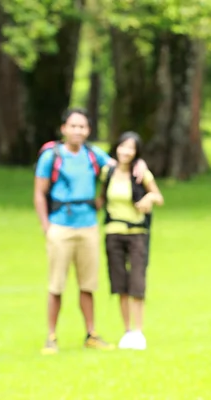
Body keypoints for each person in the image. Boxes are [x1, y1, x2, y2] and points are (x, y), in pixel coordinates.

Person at [34, 108, 116, 354]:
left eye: (82, 127)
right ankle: (51, 336)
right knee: (56, 285)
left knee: (88, 284)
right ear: (64, 129)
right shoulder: (52, 156)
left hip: (88, 225)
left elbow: (117, 167)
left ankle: (91, 333)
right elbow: (39, 191)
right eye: (73, 126)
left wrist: (102, 195)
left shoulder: (92, 154)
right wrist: (45, 224)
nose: (78, 131)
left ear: (88, 130)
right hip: (60, 226)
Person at [98, 131, 163, 350]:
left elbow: (158, 197)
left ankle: (138, 331)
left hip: (136, 233)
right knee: (120, 282)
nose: (125, 151)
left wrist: (148, 198)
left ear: (136, 152)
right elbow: (100, 197)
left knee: (137, 281)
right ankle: (126, 331)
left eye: (131, 148)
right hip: (112, 231)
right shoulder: (107, 171)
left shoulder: (140, 173)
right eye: (122, 146)